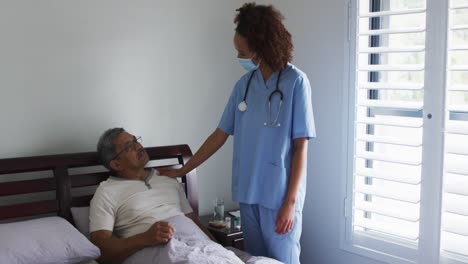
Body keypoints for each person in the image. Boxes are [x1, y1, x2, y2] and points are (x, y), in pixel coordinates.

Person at [157, 3, 316, 264]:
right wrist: (181, 171)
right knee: (255, 260)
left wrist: (290, 202)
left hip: (279, 196)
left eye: (241, 51)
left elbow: (301, 147)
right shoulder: (244, 85)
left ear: (261, 48)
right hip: (248, 194)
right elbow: (219, 135)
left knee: (283, 261)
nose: (238, 56)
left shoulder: (296, 82)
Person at [89, 128, 221, 264]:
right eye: (129, 146)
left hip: (198, 246)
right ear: (116, 164)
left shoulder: (168, 178)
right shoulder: (106, 192)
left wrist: (219, 248)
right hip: (156, 252)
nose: (138, 146)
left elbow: (193, 220)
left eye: (135, 141)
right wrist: (144, 238)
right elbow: (100, 248)